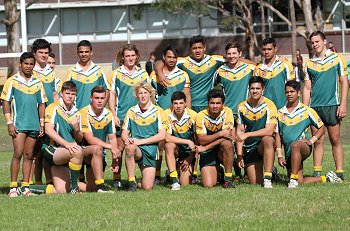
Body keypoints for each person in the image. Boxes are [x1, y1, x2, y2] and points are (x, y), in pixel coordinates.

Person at [276, 80, 341, 188]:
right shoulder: (280, 112)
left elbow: (321, 127)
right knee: (300, 181)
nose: (289, 94)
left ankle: (293, 179)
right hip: (289, 152)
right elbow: (278, 135)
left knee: (295, 145)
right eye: (287, 92)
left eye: (292, 91)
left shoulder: (307, 110)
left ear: (299, 93)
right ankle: (327, 178)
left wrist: (311, 141)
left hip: (303, 147)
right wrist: (279, 155)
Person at [42, 81, 104, 194]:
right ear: (61, 93)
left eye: (73, 94)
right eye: (67, 93)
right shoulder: (53, 107)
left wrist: (77, 129)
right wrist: (67, 144)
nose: (70, 96)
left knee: (61, 191)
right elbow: (48, 130)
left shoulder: (77, 112)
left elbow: (79, 139)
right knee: (77, 151)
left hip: (69, 152)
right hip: (53, 150)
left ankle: (100, 186)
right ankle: (74, 187)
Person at [302, 31, 348, 180]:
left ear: (324, 41)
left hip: (332, 105)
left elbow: (344, 82)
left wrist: (343, 104)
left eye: (317, 41)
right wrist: (305, 109)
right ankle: (317, 173)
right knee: (318, 140)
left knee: (335, 140)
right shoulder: (309, 63)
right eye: (312, 43)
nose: (315, 45)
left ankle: (339, 173)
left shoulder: (337, 58)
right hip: (315, 108)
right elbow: (307, 88)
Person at [1, 52, 47, 197]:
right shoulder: (12, 81)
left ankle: (25, 186)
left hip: (33, 125)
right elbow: (6, 102)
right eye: (26, 63)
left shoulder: (38, 83)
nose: (28, 66)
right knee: (18, 153)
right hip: (18, 125)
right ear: (20, 64)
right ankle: (13, 187)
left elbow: (41, 104)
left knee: (29, 156)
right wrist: (9, 122)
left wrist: (41, 124)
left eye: (31, 64)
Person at [108, 43, 149, 188]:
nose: (130, 58)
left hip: (139, 117)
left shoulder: (143, 74)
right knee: (119, 147)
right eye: (127, 56)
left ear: (137, 56)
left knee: (137, 147)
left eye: (133, 55)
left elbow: (148, 94)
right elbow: (111, 94)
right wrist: (113, 114)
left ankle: (138, 176)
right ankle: (117, 178)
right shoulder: (116, 74)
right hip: (121, 115)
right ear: (122, 58)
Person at [122, 82, 167, 191]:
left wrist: (140, 141)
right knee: (129, 148)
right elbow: (124, 134)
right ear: (136, 95)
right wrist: (127, 140)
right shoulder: (131, 111)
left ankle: (137, 182)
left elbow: (162, 135)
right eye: (140, 93)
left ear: (150, 94)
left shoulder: (158, 111)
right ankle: (131, 181)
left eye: (145, 93)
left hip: (151, 150)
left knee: (147, 187)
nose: (143, 96)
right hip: (136, 149)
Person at [236, 76, 277, 188]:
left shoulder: (270, 105)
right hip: (250, 148)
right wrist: (239, 155)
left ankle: (268, 178)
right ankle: (273, 174)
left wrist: (248, 134)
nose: (255, 91)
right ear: (248, 89)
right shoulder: (241, 107)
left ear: (263, 90)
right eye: (252, 88)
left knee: (268, 140)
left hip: (263, 145)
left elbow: (269, 131)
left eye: (257, 88)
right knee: (255, 183)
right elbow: (239, 133)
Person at [80, 86, 121, 192]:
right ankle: (101, 187)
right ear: (91, 99)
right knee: (97, 148)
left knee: (91, 188)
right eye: (96, 98)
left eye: (102, 98)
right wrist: (110, 147)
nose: (99, 101)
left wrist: (115, 160)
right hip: (81, 152)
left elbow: (112, 138)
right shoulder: (83, 112)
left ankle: (74, 185)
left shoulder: (108, 115)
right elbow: (89, 139)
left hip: (97, 155)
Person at [31, 39, 60, 187]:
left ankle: (48, 182)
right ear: (34, 53)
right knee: (33, 152)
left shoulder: (50, 72)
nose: (44, 55)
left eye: (46, 53)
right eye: (41, 52)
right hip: (34, 116)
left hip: (48, 116)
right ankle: (31, 183)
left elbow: (55, 94)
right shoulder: (29, 71)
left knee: (47, 149)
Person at [195, 89, 235, 188]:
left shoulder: (228, 112)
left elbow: (228, 137)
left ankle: (228, 179)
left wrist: (205, 147)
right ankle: (219, 173)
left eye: (218, 103)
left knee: (227, 144)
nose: (215, 106)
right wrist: (220, 133)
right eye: (212, 103)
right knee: (208, 185)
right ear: (208, 103)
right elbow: (202, 140)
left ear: (223, 104)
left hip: (219, 150)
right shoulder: (201, 116)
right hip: (208, 151)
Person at [164, 91, 199, 190]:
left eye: (181, 103)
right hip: (176, 150)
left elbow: (197, 142)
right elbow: (167, 137)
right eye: (175, 103)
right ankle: (174, 180)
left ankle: (185, 171)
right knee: (168, 145)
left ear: (185, 103)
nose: (178, 106)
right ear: (172, 104)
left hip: (189, 152)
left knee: (185, 183)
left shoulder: (194, 116)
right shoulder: (166, 114)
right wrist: (187, 141)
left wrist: (189, 159)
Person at [64, 40, 110, 110]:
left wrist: (100, 107)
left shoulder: (98, 70)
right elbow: (65, 93)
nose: (84, 54)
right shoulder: (72, 71)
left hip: (95, 114)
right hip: (77, 112)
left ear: (91, 52)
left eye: (86, 52)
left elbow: (107, 91)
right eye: (81, 52)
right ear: (77, 53)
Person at [254, 37, 295, 109]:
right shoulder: (258, 69)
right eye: (264, 49)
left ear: (275, 49)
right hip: (265, 109)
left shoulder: (285, 64)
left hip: (283, 108)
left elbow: (292, 87)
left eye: (269, 49)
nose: (266, 52)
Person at [151, 45, 191, 110]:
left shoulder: (183, 75)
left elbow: (187, 96)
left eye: (174, 57)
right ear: (164, 57)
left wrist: (189, 114)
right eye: (169, 57)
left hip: (177, 114)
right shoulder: (154, 75)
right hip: (160, 113)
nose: (172, 60)